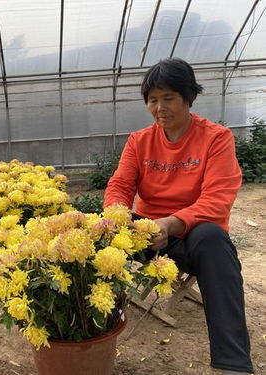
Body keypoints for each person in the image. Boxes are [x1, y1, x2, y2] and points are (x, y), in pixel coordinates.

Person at [103, 58, 254, 375]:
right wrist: (119, 216)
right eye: (152, 100)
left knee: (215, 241)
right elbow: (119, 185)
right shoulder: (140, 140)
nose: (160, 108)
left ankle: (233, 364)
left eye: (168, 98)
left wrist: (172, 223)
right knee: (96, 228)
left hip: (190, 236)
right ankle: (87, 331)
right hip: (144, 232)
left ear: (189, 97)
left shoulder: (215, 138)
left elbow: (218, 198)